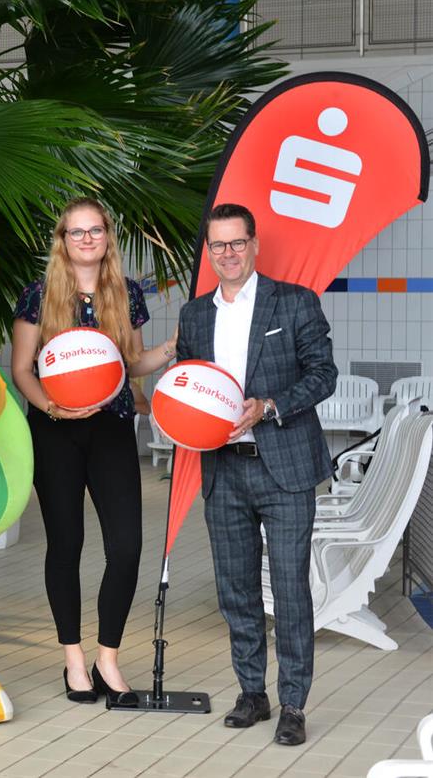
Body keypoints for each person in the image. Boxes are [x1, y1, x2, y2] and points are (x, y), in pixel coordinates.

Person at [176, 203, 336, 746]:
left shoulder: (292, 302)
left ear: (254, 243)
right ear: (210, 251)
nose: (228, 254)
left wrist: (268, 405)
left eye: (237, 243)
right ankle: (252, 692)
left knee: (290, 590)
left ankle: (293, 702)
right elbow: (188, 382)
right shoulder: (195, 315)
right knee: (236, 590)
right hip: (223, 471)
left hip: (285, 470)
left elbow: (324, 374)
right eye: (218, 246)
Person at [11, 197, 176, 707]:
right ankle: (74, 660)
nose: (86, 239)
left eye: (95, 230)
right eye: (76, 232)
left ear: (108, 238)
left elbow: (130, 364)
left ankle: (108, 655)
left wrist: (172, 347)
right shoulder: (39, 295)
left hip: (111, 429)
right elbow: (22, 370)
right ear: (62, 240)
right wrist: (54, 409)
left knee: (126, 547)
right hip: (55, 431)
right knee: (67, 546)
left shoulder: (126, 294)